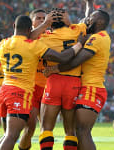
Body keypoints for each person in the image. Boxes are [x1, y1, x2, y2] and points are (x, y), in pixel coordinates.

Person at [0, 14, 86, 150]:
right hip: (19, 92)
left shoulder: (3, 44)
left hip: (4, 91)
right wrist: (79, 44)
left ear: (14, 26)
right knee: (11, 135)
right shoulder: (34, 45)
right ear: (29, 29)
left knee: (7, 135)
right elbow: (62, 57)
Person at [44, 9, 111, 150]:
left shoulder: (97, 38)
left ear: (99, 22)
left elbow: (76, 61)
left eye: (91, 18)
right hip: (83, 86)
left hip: (92, 88)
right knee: (78, 131)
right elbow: (85, 21)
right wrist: (88, 4)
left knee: (82, 131)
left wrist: (55, 69)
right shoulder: (95, 36)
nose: (87, 20)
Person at [38, 1, 93, 149]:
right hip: (74, 82)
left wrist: (44, 23)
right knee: (70, 131)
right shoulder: (77, 30)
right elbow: (88, 18)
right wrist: (90, 3)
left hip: (54, 81)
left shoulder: (45, 37)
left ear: (50, 23)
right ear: (66, 20)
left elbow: (30, 36)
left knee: (46, 129)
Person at [17, 8, 47, 150]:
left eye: (44, 18)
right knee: (30, 127)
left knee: (46, 129)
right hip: (32, 88)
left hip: (48, 88)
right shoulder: (26, 38)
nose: (42, 20)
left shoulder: (51, 36)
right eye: (38, 18)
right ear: (32, 22)